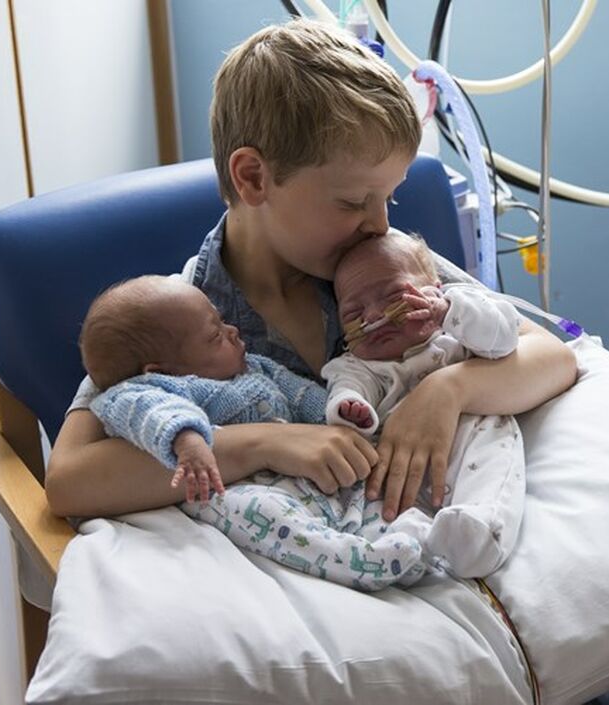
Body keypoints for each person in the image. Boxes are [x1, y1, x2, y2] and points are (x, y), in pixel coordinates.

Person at [45, 19, 576, 528]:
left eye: (389, 197)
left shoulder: (373, 265)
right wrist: (266, 442)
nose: (380, 223)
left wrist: (448, 391)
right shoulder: (183, 317)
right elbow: (70, 479)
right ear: (253, 177)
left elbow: (551, 356)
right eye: (353, 201)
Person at [81, 275, 427, 591]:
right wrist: (188, 440)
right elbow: (154, 411)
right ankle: (357, 563)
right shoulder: (148, 389)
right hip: (229, 486)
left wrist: (345, 415)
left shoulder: (257, 368)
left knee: (356, 494)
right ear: (161, 370)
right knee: (266, 517)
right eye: (216, 335)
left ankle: (406, 548)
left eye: (223, 322)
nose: (233, 332)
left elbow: (303, 396)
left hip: (299, 476)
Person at [322, 231, 525, 577]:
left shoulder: (454, 332)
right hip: (399, 460)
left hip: (469, 435)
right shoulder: (359, 364)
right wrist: (350, 406)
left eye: (395, 296)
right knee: (376, 493)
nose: (373, 317)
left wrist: (448, 311)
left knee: (493, 453)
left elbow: (505, 338)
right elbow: (345, 387)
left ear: (434, 287)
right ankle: (408, 539)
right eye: (354, 313)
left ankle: (480, 531)